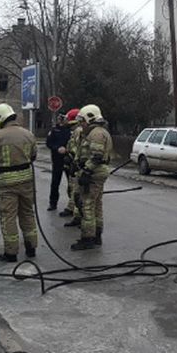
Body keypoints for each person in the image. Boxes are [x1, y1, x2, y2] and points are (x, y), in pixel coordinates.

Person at [0, 103, 38, 262]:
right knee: (27, 213)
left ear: (0, 118)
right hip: (27, 180)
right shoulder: (28, 134)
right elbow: (33, 156)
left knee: (8, 217)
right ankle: (31, 247)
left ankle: (11, 253)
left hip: (7, 183)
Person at [70, 104, 113, 251]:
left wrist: (86, 171)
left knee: (86, 204)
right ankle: (96, 236)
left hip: (94, 173)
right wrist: (76, 164)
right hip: (96, 172)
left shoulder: (96, 133)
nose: (81, 124)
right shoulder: (95, 132)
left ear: (90, 117)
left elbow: (96, 156)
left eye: (82, 120)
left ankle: (87, 238)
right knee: (96, 205)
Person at [45, 108, 71, 211]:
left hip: (69, 160)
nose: (61, 121)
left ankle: (72, 204)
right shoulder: (54, 130)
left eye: (63, 119)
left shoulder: (70, 130)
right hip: (57, 160)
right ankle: (53, 203)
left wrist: (67, 150)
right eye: (60, 119)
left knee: (72, 183)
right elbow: (49, 143)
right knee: (55, 182)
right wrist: (57, 148)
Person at [60, 108, 83, 220]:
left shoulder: (78, 131)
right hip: (73, 163)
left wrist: (71, 156)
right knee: (72, 187)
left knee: (75, 189)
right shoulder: (76, 131)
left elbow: (77, 148)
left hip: (76, 164)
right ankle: (72, 209)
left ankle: (75, 212)